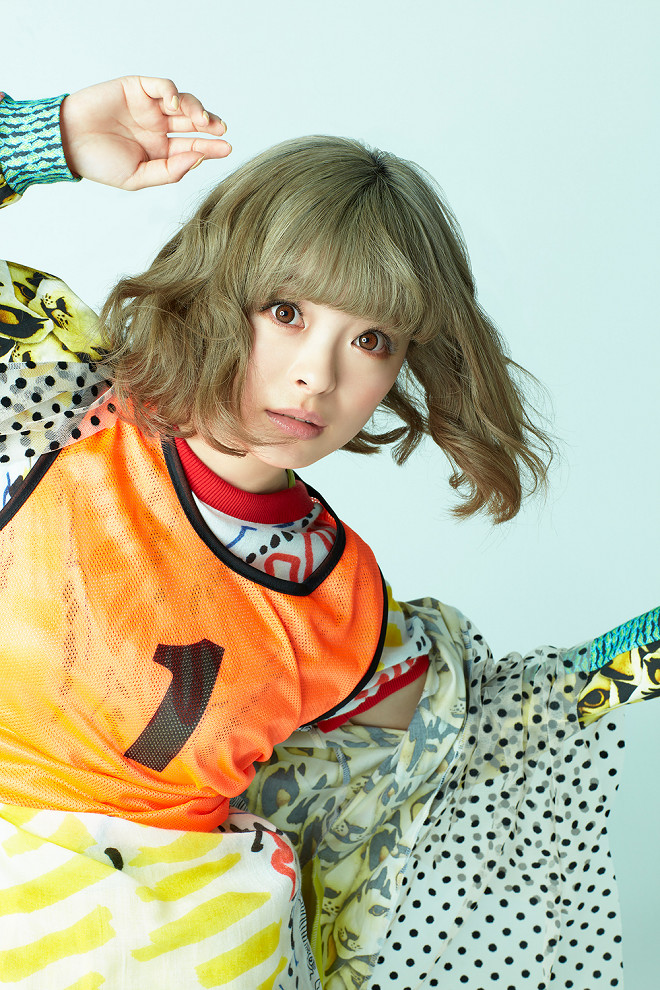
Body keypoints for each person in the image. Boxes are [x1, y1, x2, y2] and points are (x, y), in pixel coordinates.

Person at [0, 75, 657, 990]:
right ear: (218, 288)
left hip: (186, 955)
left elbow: (488, 718)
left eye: (372, 339)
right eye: (287, 312)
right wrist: (49, 136)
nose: (317, 375)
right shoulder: (55, 410)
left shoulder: (337, 599)